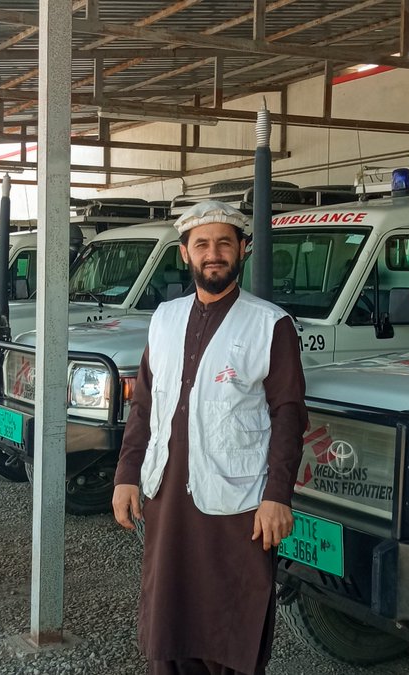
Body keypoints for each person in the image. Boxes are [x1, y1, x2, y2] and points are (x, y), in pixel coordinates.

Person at [112, 200, 308, 675]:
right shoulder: (164, 318)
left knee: (231, 621)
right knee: (169, 617)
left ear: (243, 249)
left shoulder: (271, 324)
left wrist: (276, 496)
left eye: (224, 243)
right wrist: (126, 475)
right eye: (202, 244)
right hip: (168, 496)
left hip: (239, 502)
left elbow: (289, 414)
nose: (213, 253)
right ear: (185, 253)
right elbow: (145, 405)